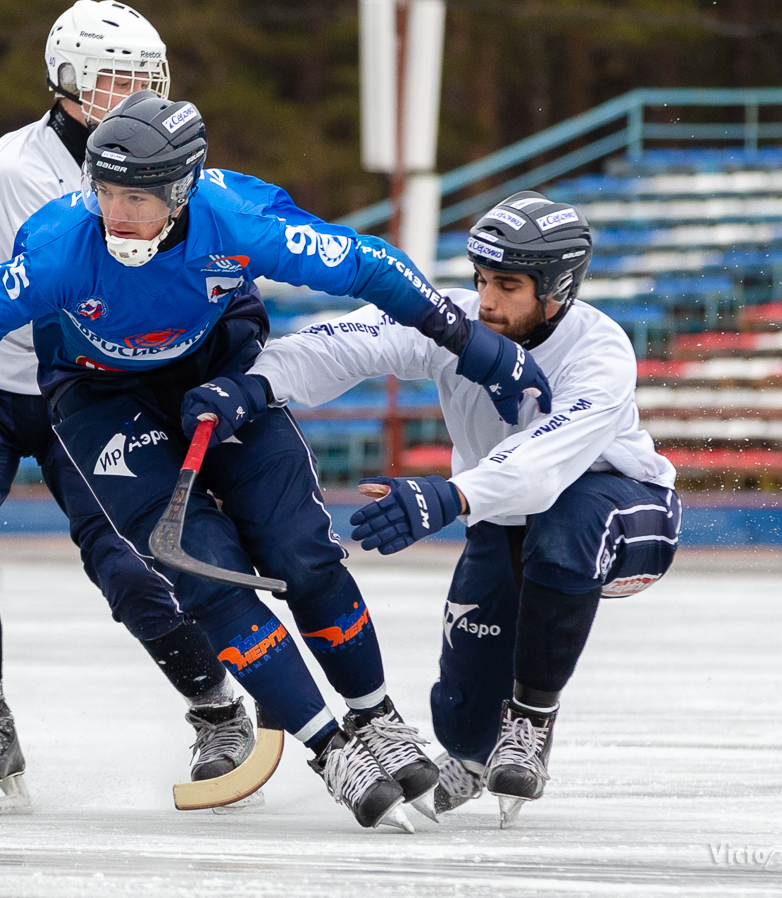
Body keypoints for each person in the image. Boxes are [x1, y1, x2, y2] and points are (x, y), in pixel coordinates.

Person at [0, 92, 553, 830]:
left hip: (216, 376)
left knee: (300, 552)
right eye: (104, 190)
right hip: (99, 400)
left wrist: (481, 348)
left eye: (138, 197)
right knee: (198, 562)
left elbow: (372, 267)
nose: (117, 212)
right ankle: (330, 745)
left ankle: (376, 716)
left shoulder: (236, 220)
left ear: (180, 191)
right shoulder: (59, 245)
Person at [0, 1, 255, 817]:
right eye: (112, 82)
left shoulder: (149, 161)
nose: (130, 98)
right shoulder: (18, 172)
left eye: (145, 82)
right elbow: (89, 293)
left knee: (131, 558)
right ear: (65, 84)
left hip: (82, 386)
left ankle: (217, 708)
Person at [246, 191, 680, 827]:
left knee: (569, 520)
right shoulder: (456, 324)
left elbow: (549, 461)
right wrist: (252, 382)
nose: (487, 302)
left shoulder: (600, 351)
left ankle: (532, 721)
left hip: (625, 514)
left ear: (557, 287)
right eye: (480, 280)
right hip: (500, 520)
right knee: (460, 717)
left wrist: (450, 494)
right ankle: (479, 753)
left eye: (507, 285)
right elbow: (344, 344)